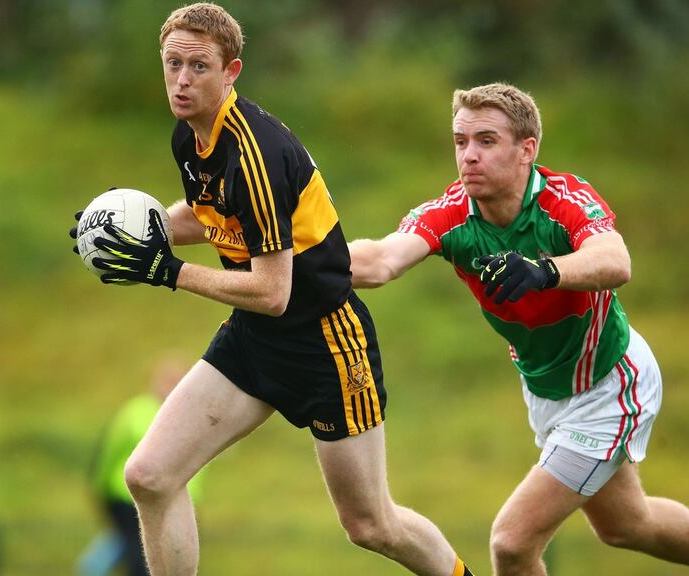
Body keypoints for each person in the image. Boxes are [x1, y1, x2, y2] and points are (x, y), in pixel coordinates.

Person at [69, 3, 474, 575]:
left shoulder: (254, 155)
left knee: (372, 525)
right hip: (255, 337)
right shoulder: (191, 136)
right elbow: (209, 214)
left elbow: (272, 291)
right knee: (150, 476)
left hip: (326, 344)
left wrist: (166, 270)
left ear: (231, 72)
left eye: (199, 67)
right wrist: (124, 230)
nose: (182, 80)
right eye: (173, 63)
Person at [348, 82, 689, 576]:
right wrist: (300, 256)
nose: (469, 156)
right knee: (626, 525)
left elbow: (615, 261)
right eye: (461, 142)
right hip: (547, 389)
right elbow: (380, 260)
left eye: (486, 141)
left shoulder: (564, 199)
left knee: (512, 543)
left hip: (609, 385)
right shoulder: (451, 214)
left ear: (527, 150)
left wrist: (545, 270)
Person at [78, 356, 205, 576]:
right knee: (138, 554)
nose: (171, 387)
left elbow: (198, 462)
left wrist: (193, 498)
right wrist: (100, 486)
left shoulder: (195, 415)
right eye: (168, 381)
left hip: (172, 498)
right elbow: (111, 450)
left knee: (158, 552)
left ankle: (91, 567)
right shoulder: (136, 411)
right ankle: (90, 568)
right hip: (128, 496)